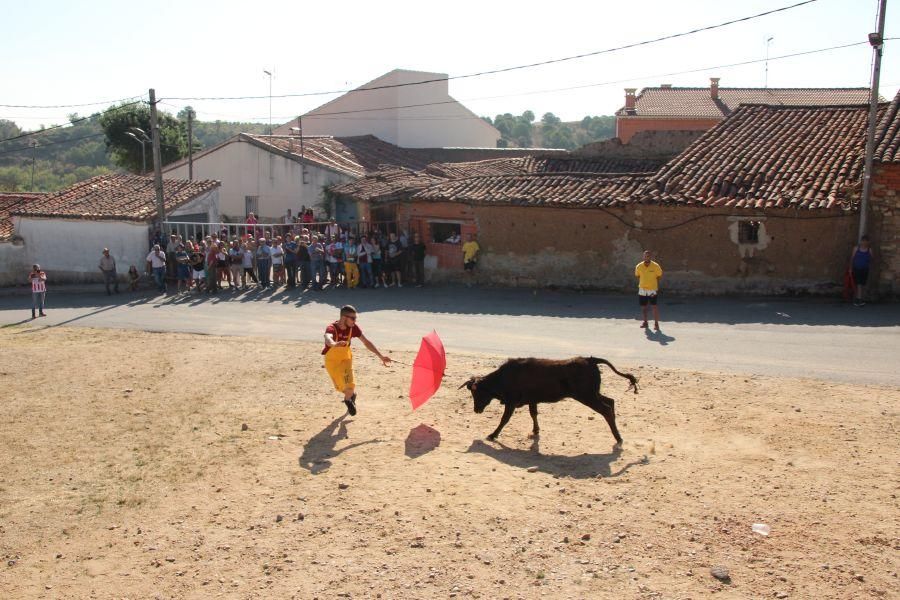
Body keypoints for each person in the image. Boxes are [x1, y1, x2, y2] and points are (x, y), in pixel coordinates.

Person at [322, 305, 392, 416]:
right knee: (342, 388)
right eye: (353, 318)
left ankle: (347, 400)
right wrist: (335, 344)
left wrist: (381, 356)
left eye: (355, 318)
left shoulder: (353, 328)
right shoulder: (332, 328)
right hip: (331, 361)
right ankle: (351, 397)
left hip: (346, 359)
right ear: (344, 318)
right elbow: (327, 338)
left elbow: (366, 342)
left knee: (349, 387)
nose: (355, 321)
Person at [635, 250, 663, 331]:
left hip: (652, 290)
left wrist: (653, 285)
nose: (647, 257)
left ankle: (656, 324)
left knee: (654, 306)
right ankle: (645, 322)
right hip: (642, 290)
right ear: (643, 257)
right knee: (643, 307)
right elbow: (638, 275)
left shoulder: (656, 266)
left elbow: (659, 275)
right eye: (645, 256)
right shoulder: (639, 266)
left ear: (650, 257)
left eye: (648, 256)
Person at [849, 235, 874, 306]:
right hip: (857, 268)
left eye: (866, 241)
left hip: (865, 268)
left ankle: (859, 298)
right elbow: (852, 258)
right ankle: (859, 299)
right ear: (861, 241)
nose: (864, 243)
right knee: (859, 283)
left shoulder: (869, 249)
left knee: (862, 284)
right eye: (863, 241)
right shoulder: (856, 248)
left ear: (868, 242)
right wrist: (850, 268)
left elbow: (872, 259)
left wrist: (869, 264)